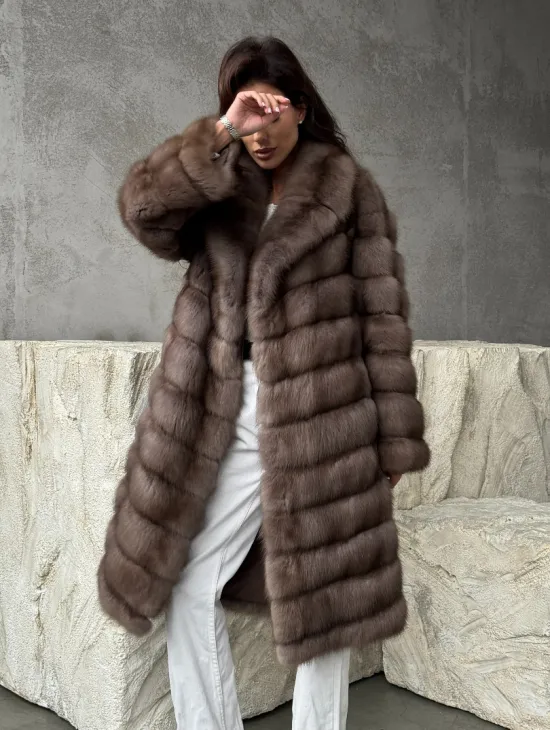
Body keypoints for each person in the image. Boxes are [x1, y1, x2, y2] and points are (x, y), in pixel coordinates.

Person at [97, 36, 429, 730]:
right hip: (230, 404)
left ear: (301, 108)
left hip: (326, 414)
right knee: (190, 580)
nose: (260, 131)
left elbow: (382, 315)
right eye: (245, 113)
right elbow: (143, 211)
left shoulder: (348, 189)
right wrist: (219, 132)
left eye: (272, 111)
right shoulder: (217, 186)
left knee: (325, 602)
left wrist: (394, 439)